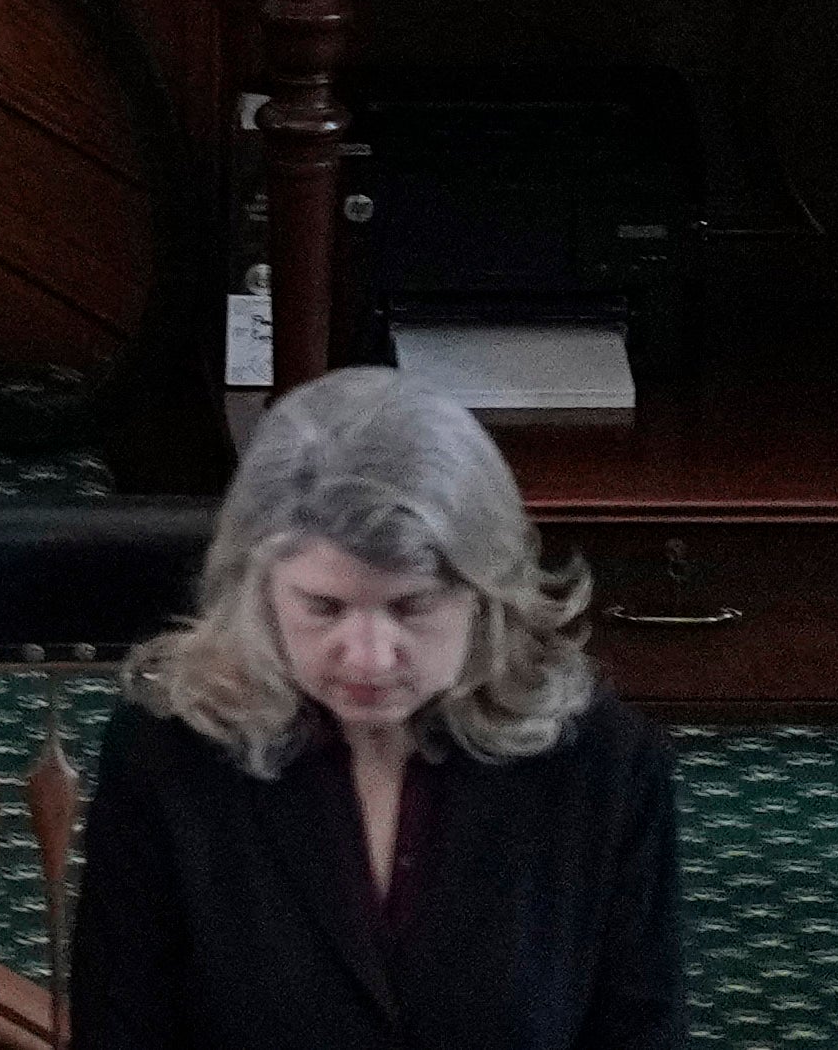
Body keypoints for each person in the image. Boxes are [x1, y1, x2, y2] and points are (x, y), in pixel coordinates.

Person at [69, 370, 689, 1050]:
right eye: (324, 607)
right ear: (258, 590)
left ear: (487, 596)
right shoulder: (168, 751)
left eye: (412, 605)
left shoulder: (605, 768)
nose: (367, 657)